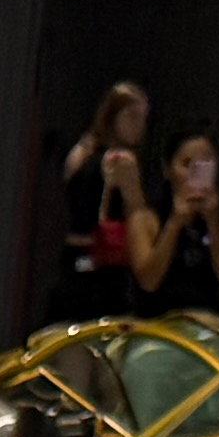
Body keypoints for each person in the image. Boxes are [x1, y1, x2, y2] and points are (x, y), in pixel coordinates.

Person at [128, 129, 219, 309]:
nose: (194, 173)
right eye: (187, 164)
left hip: (206, 320)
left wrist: (213, 221)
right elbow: (148, 281)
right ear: (167, 169)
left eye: (205, 164)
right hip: (156, 320)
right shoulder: (144, 220)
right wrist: (175, 223)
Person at [55, 81, 154, 290]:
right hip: (105, 259)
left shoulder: (82, 150)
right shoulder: (121, 160)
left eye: (143, 118)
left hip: (75, 254)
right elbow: (138, 213)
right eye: (132, 117)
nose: (139, 126)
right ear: (113, 116)